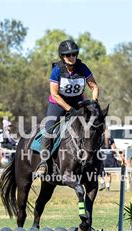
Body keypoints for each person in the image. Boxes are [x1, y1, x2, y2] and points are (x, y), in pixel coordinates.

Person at [35, 40, 100, 176]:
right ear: (62, 57)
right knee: (49, 127)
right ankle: (43, 162)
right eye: (68, 55)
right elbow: (55, 94)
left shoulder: (82, 68)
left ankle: (97, 162)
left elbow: (94, 86)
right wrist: (69, 109)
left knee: (92, 127)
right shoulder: (57, 70)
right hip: (58, 104)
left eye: (74, 54)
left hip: (78, 103)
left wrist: (94, 103)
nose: (72, 57)